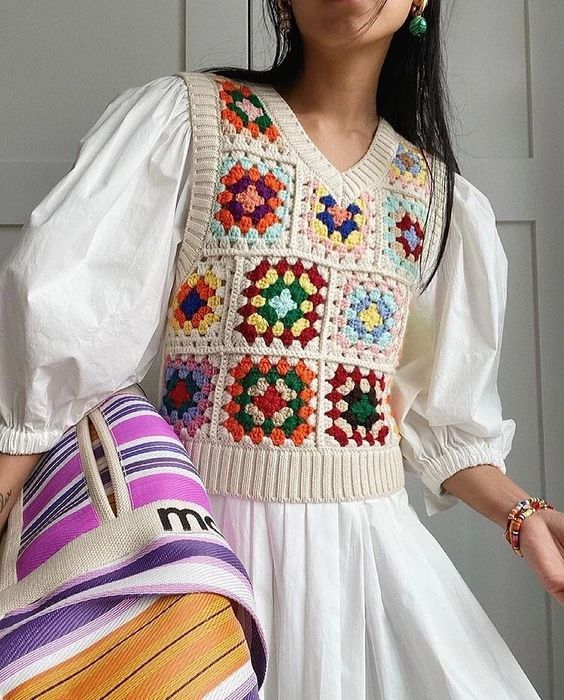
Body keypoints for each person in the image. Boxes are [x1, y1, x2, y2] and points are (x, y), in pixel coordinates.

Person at [1, 0, 563, 698]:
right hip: (194, 551)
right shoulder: (191, 124)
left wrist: (523, 515)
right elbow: (70, 327)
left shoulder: (436, 200)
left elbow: (441, 422)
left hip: (365, 560)